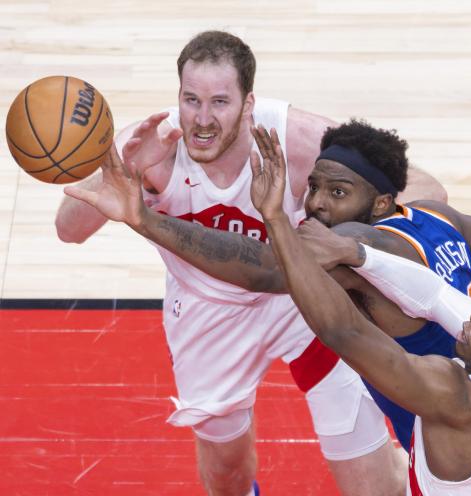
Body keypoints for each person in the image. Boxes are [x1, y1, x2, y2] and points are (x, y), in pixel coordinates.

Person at [56, 31, 448, 496]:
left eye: (220, 102)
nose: (202, 120)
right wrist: (120, 168)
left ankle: (394, 469)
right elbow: (69, 229)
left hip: (303, 299)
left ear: (248, 104)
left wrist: (348, 244)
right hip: (209, 310)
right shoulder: (150, 149)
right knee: (227, 477)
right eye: (191, 100)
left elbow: (426, 191)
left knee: (372, 488)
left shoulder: (296, 140)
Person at [247, 125, 471, 495]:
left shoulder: (456, 396)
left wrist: (274, 218)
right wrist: (359, 254)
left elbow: (344, 332)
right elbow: (434, 293)